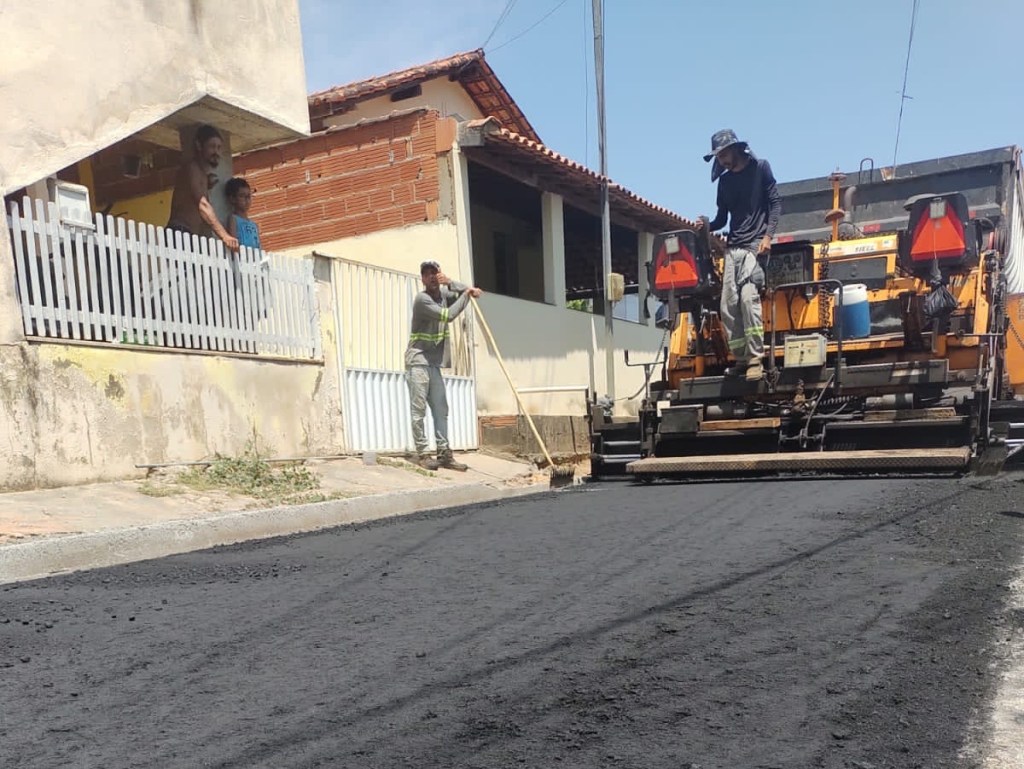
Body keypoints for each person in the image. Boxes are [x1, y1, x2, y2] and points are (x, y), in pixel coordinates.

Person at [696, 128, 781, 382]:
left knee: (747, 299)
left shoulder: (761, 169)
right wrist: (707, 225)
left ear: (734, 149)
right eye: (717, 156)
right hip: (733, 249)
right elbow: (723, 218)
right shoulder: (725, 182)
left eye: (722, 153)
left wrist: (768, 237)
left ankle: (756, 358)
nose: (720, 159)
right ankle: (741, 359)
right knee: (728, 306)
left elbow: (776, 203)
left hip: (755, 245)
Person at [406, 261, 482, 471]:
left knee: (441, 409)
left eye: (435, 273)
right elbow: (448, 315)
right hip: (418, 361)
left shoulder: (444, 295)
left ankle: (444, 454)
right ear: (422, 278)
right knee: (418, 410)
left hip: (434, 364)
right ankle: (422, 454)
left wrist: (452, 283)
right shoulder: (422, 300)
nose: (431, 277)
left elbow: (465, 292)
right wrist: (467, 294)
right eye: (427, 274)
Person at [167, 124, 239, 251]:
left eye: (219, 147)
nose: (216, 152)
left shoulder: (201, 174)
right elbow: (203, 206)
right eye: (212, 146)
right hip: (180, 233)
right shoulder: (192, 168)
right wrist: (225, 236)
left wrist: (206, 183)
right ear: (199, 146)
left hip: (189, 235)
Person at [225, 177, 261, 249]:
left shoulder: (254, 225)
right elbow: (233, 240)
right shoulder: (233, 219)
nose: (246, 200)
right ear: (232, 199)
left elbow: (258, 244)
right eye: (242, 196)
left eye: (248, 196)